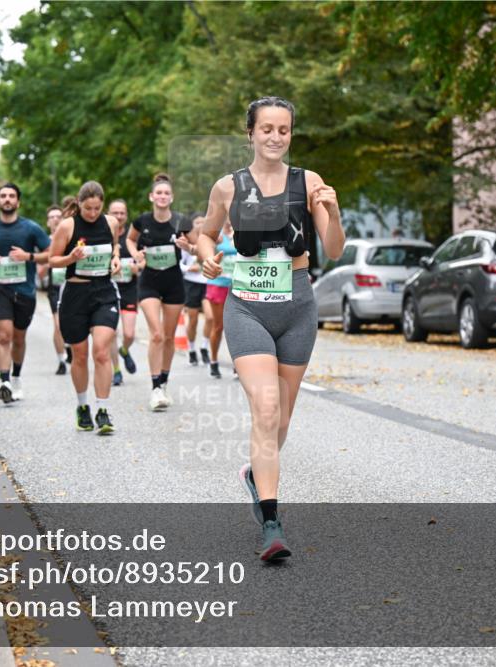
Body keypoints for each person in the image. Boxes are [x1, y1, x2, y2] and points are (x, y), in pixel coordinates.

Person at [198, 97, 345, 561]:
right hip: (248, 308)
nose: (275, 137)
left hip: (298, 304)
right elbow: (206, 231)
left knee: (279, 420)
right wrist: (206, 253)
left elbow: (335, 250)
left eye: (284, 129)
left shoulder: (310, 183)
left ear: (291, 135)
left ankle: (254, 475)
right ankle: (272, 523)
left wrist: (334, 212)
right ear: (251, 133)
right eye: (267, 129)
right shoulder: (228, 187)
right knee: (265, 409)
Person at [48, 182, 122, 434]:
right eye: (88, 208)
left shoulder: (111, 223)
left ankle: (102, 409)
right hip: (75, 294)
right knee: (79, 355)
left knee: (101, 351)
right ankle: (83, 406)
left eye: (97, 208)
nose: (92, 213)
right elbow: (52, 260)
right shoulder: (68, 226)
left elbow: (115, 247)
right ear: (79, 205)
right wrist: (70, 258)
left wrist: (115, 259)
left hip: (103, 292)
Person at [0, 182, 51, 404]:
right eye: (3, 196)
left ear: (18, 201)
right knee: (2, 335)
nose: (7, 199)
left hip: (24, 291)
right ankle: (5, 382)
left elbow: (51, 252)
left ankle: (16, 377)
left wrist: (29, 257)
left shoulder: (31, 228)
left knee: (18, 337)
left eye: (11, 196)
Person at [127, 173, 194, 411]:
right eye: (159, 193)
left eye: (166, 193)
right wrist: (135, 254)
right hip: (149, 282)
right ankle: (155, 388)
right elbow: (130, 241)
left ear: (172, 197)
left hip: (174, 280)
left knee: (168, 337)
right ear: (151, 196)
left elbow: (197, 246)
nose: (162, 196)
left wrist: (189, 246)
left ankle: (163, 382)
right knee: (156, 334)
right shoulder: (142, 221)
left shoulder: (180, 222)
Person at [108, 198, 139, 386]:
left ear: (126, 215)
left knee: (129, 334)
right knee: (111, 333)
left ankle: (125, 350)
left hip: (128, 289)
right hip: (107, 290)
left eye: (122, 213)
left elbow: (142, 260)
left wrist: (138, 267)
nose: (119, 216)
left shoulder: (131, 237)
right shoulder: (102, 234)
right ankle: (116, 370)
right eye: (115, 213)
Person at [40, 204, 72, 375]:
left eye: (58, 215)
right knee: (58, 325)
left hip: (73, 285)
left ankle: (69, 347)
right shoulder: (44, 242)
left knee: (73, 324)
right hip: (55, 287)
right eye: (52, 216)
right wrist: (48, 260)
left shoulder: (71, 237)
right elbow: (40, 273)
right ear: (48, 222)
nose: (55, 219)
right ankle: (61, 360)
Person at [180, 216, 213, 367]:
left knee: (210, 317)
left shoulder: (211, 242)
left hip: (207, 283)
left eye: (203, 222)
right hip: (191, 283)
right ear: (193, 226)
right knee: (192, 320)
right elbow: (179, 264)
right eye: (197, 222)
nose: (200, 225)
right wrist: (188, 268)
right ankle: (192, 350)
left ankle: (204, 347)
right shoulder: (187, 243)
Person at [206, 218, 237, 378]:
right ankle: (213, 360)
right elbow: (204, 251)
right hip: (219, 285)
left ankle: (238, 364)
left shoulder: (243, 231)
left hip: (238, 285)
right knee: (218, 326)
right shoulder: (217, 235)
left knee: (238, 326)